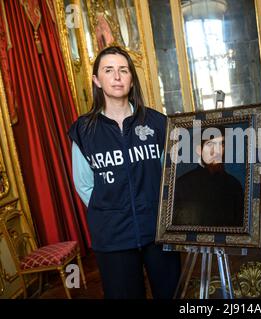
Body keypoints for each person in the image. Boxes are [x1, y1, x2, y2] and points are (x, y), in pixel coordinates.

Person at [68, 46, 180, 299]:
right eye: (109, 70)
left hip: (159, 233)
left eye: (123, 70)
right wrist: (113, 211)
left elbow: (170, 174)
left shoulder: (157, 123)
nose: (117, 77)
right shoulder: (84, 131)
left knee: (172, 294)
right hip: (112, 238)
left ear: (131, 79)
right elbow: (84, 185)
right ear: (97, 80)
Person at [172, 128, 244, 227]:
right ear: (199, 150)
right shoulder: (181, 185)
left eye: (221, 144)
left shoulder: (234, 185)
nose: (217, 151)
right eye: (210, 144)